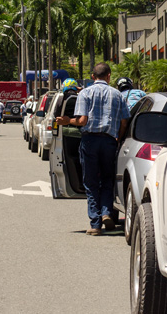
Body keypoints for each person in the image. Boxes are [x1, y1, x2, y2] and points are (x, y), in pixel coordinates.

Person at [56, 63, 130, 236]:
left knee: (90, 182)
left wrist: (67, 121)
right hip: (110, 141)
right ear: (109, 76)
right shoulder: (117, 94)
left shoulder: (85, 93)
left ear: (92, 76)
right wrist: (118, 139)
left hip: (89, 141)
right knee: (107, 180)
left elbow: (82, 121)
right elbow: (124, 121)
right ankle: (106, 212)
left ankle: (95, 223)